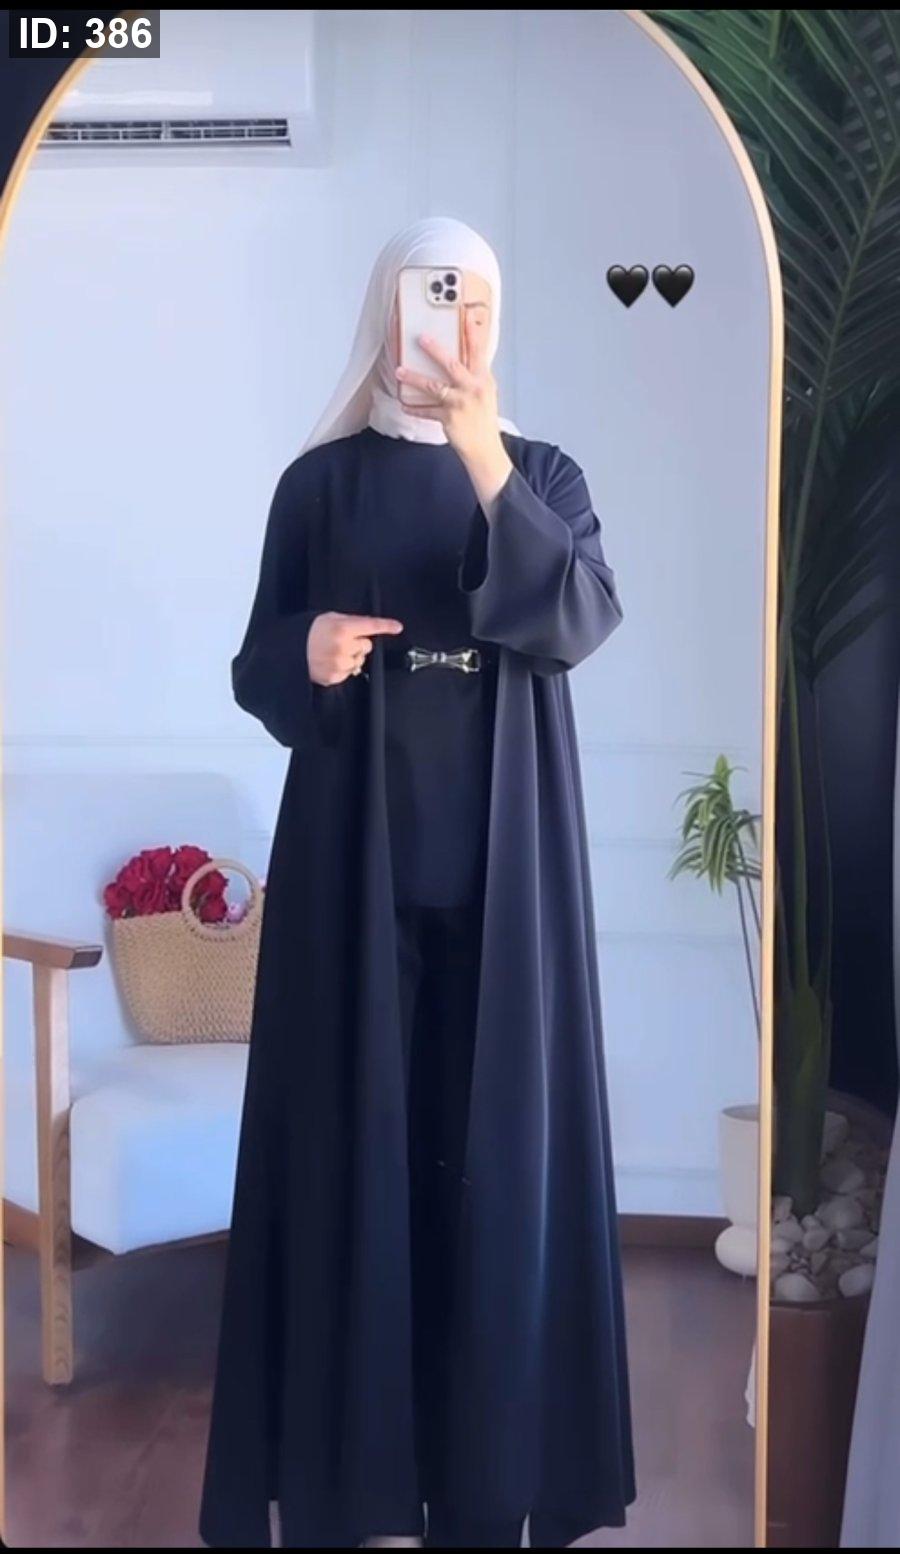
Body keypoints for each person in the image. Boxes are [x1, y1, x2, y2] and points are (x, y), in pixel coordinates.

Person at [199, 216, 636, 1550]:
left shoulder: (542, 472)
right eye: (433, 298)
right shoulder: (317, 485)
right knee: (356, 1175)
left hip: (509, 896)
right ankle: (354, 1496)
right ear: (384, 312)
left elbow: (579, 616)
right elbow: (255, 664)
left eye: (476, 304)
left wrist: (483, 448)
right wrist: (309, 646)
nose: (456, 325)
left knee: (491, 1179)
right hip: (353, 889)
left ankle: (486, 1489)